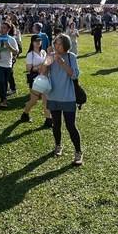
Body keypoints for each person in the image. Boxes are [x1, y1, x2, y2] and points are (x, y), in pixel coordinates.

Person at [45, 35, 83, 165]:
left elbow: (75, 75)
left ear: (66, 45)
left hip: (68, 97)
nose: (57, 46)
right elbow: (43, 73)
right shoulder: (51, 56)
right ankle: (58, 145)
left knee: (70, 126)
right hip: (53, 95)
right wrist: (47, 59)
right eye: (56, 43)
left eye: (59, 44)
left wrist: (61, 62)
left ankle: (78, 152)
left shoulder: (71, 57)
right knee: (56, 124)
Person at [20, 36, 52, 127]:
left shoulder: (43, 52)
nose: (38, 42)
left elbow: (48, 63)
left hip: (45, 78)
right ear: (32, 42)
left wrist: (49, 57)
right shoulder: (30, 54)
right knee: (33, 101)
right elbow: (28, 69)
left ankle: (48, 120)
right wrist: (41, 66)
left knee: (46, 100)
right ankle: (25, 114)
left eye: (39, 41)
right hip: (35, 80)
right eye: (36, 41)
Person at [0, 21, 19, 107]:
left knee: (5, 82)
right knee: (1, 81)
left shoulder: (11, 39)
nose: (2, 29)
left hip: (8, 64)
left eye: (4, 28)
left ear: (8, 29)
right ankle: (3, 100)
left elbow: (16, 52)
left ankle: (4, 98)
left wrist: (8, 46)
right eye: (1, 27)